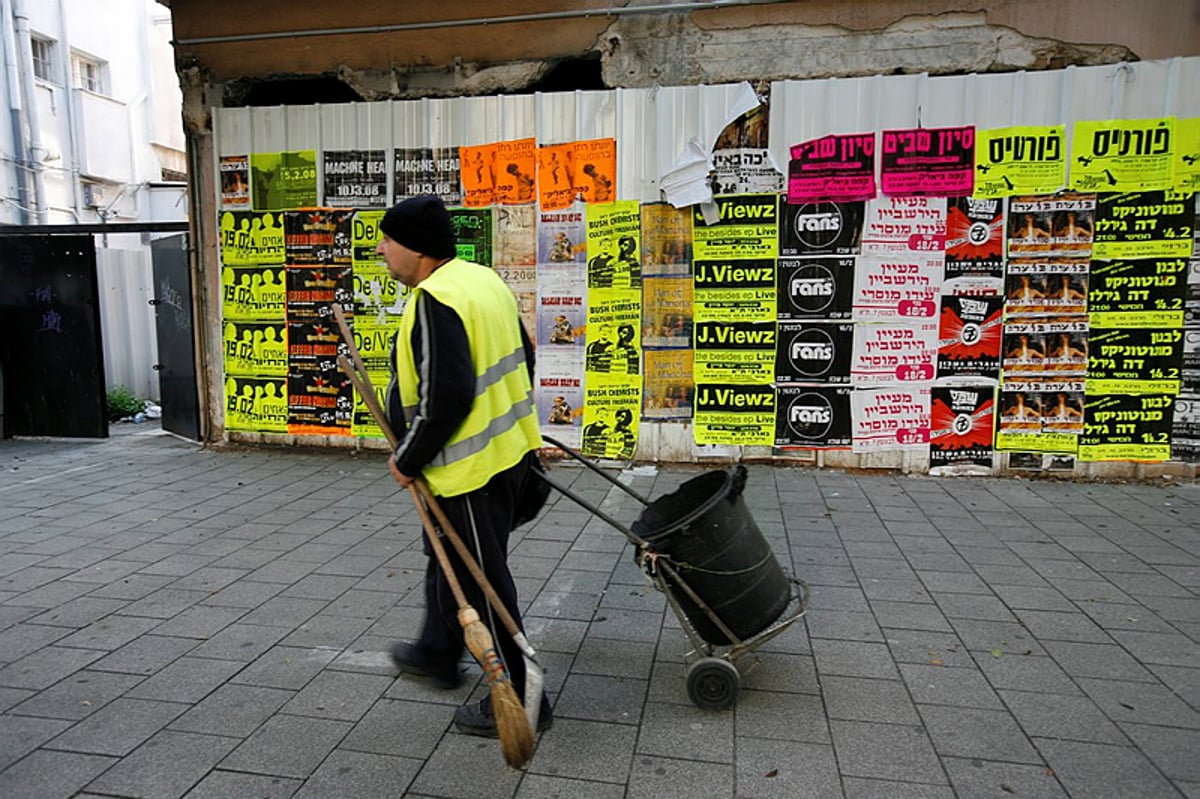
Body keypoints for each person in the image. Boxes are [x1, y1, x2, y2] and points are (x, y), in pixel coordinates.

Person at [376, 195, 552, 737]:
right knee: (446, 554)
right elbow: (524, 353)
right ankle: (437, 651)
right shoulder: (482, 279)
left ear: (417, 248)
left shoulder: (436, 298)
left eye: (388, 240)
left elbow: (443, 398)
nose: (381, 250)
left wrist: (408, 458)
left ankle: (525, 699)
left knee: (481, 581)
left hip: (471, 471)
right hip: (510, 455)